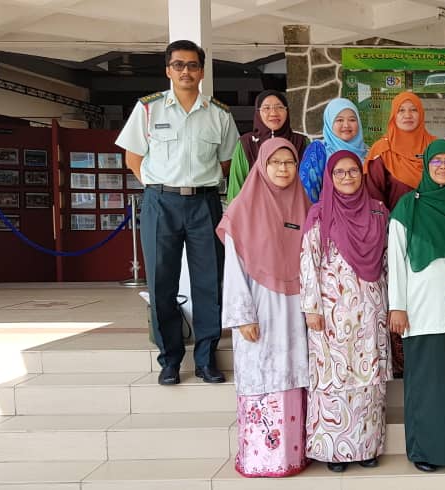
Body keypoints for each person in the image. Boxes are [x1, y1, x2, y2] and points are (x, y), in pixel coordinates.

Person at [115, 39, 238, 385]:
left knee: (209, 282)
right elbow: (133, 157)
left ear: (202, 71)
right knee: (161, 282)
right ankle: (169, 360)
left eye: (193, 65)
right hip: (161, 203)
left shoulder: (219, 113)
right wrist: (158, 187)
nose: (186, 71)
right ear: (168, 70)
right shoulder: (149, 109)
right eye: (179, 65)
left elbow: (227, 161)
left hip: (204, 203)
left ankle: (206, 359)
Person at [216, 137, 311, 478]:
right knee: (262, 375)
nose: (283, 169)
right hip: (259, 307)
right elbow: (233, 268)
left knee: (293, 374)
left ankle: (294, 456)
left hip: (296, 308)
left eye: (290, 162)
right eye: (276, 162)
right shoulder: (242, 210)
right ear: (262, 166)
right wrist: (242, 316)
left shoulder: (304, 205)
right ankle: (260, 458)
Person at [387, 139, 445, 473]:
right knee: (425, 384)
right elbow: (396, 259)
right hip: (422, 310)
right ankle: (424, 451)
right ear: (426, 166)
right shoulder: (408, 207)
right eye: (436, 161)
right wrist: (397, 306)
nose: (443, 167)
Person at [300, 150, 390, 472]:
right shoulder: (319, 214)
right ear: (330, 177)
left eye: (353, 171)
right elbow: (308, 262)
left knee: (369, 378)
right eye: (340, 172)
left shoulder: (378, 211)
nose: (347, 177)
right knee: (333, 378)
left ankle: (367, 447)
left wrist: (394, 304)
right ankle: (333, 451)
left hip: (370, 309)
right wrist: (311, 308)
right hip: (331, 312)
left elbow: (388, 261)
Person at [364, 91, 436, 377]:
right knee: (401, 302)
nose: (408, 115)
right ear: (393, 115)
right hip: (396, 241)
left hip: (435, 241)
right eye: (401, 110)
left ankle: (432, 365)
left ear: (421, 114)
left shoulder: (435, 149)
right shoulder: (381, 152)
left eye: (413, 110)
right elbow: (374, 200)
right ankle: (405, 370)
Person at [227, 90, 309, 201]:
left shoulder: (301, 142)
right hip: (255, 209)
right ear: (258, 112)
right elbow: (236, 189)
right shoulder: (246, 144)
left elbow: (310, 185)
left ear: (287, 111)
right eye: (266, 108)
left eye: (279, 107)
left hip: (294, 208)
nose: (274, 113)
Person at [299, 98, 367, 203]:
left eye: (352, 120)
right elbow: (307, 193)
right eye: (339, 120)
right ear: (329, 122)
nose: (346, 125)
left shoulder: (368, 153)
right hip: (326, 211)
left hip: (363, 211)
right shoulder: (318, 150)